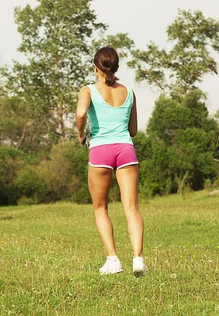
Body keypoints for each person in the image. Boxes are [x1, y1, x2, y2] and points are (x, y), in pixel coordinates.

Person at [75, 47, 147, 277]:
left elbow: (80, 114)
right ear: (116, 68)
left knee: (100, 207)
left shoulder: (87, 90)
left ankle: (113, 260)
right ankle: (138, 259)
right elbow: (133, 130)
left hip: (100, 151)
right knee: (132, 208)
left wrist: (80, 135)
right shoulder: (129, 92)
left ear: (95, 67)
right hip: (126, 150)